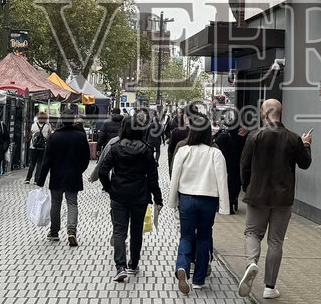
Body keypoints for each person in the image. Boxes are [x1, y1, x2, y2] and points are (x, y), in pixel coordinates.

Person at [236, 98, 312, 300]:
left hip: (257, 195)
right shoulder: (293, 138)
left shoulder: (254, 136)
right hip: (283, 198)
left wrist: (246, 188)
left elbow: (244, 165)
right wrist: (306, 145)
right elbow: (305, 164)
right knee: (276, 242)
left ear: (264, 113)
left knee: (252, 232)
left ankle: (251, 263)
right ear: (280, 113)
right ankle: (270, 287)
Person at [94, 116, 162, 283]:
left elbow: (103, 171)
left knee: (119, 231)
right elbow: (153, 177)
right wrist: (158, 198)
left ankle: (120, 267)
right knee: (136, 231)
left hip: (119, 195)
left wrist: (109, 187)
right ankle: (133, 263)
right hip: (139, 195)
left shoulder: (116, 148)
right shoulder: (146, 150)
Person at [167, 115, 229, 294]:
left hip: (186, 198)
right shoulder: (215, 153)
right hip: (208, 199)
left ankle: (182, 267)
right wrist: (224, 207)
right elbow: (222, 180)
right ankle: (199, 279)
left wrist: (173, 201)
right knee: (203, 236)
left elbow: (175, 178)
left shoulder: (183, 151)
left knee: (186, 236)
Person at [34, 104, 91, 244]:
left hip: (57, 175)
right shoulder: (80, 136)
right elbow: (86, 157)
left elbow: (46, 160)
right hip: (73, 175)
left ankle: (54, 232)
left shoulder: (54, 137)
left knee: (56, 204)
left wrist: (40, 180)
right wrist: (79, 169)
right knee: (72, 203)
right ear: (73, 120)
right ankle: (71, 231)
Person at [215, 110, 247, 215]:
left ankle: (224, 202)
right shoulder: (242, 136)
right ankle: (233, 200)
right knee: (235, 183)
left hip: (224, 163)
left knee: (225, 182)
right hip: (236, 164)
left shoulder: (221, 137)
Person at [26, 113, 50, 179]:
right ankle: (36, 179)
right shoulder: (47, 126)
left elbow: (30, 134)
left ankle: (28, 178)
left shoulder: (33, 125)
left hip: (33, 147)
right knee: (40, 163)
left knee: (32, 163)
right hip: (42, 147)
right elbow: (49, 136)